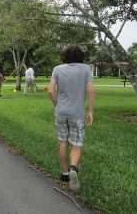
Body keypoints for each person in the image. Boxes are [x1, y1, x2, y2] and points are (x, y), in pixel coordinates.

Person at [48, 45, 95, 192]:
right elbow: (91, 89)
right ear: (81, 56)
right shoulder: (86, 69)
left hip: (61, 112)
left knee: (63, 142)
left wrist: (57, 105)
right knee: (76, 144)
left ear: (65, 56)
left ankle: (65, 173)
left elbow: (50, 91)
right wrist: (91, 112)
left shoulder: (57, 69)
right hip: (77, 114)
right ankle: (73, 167)